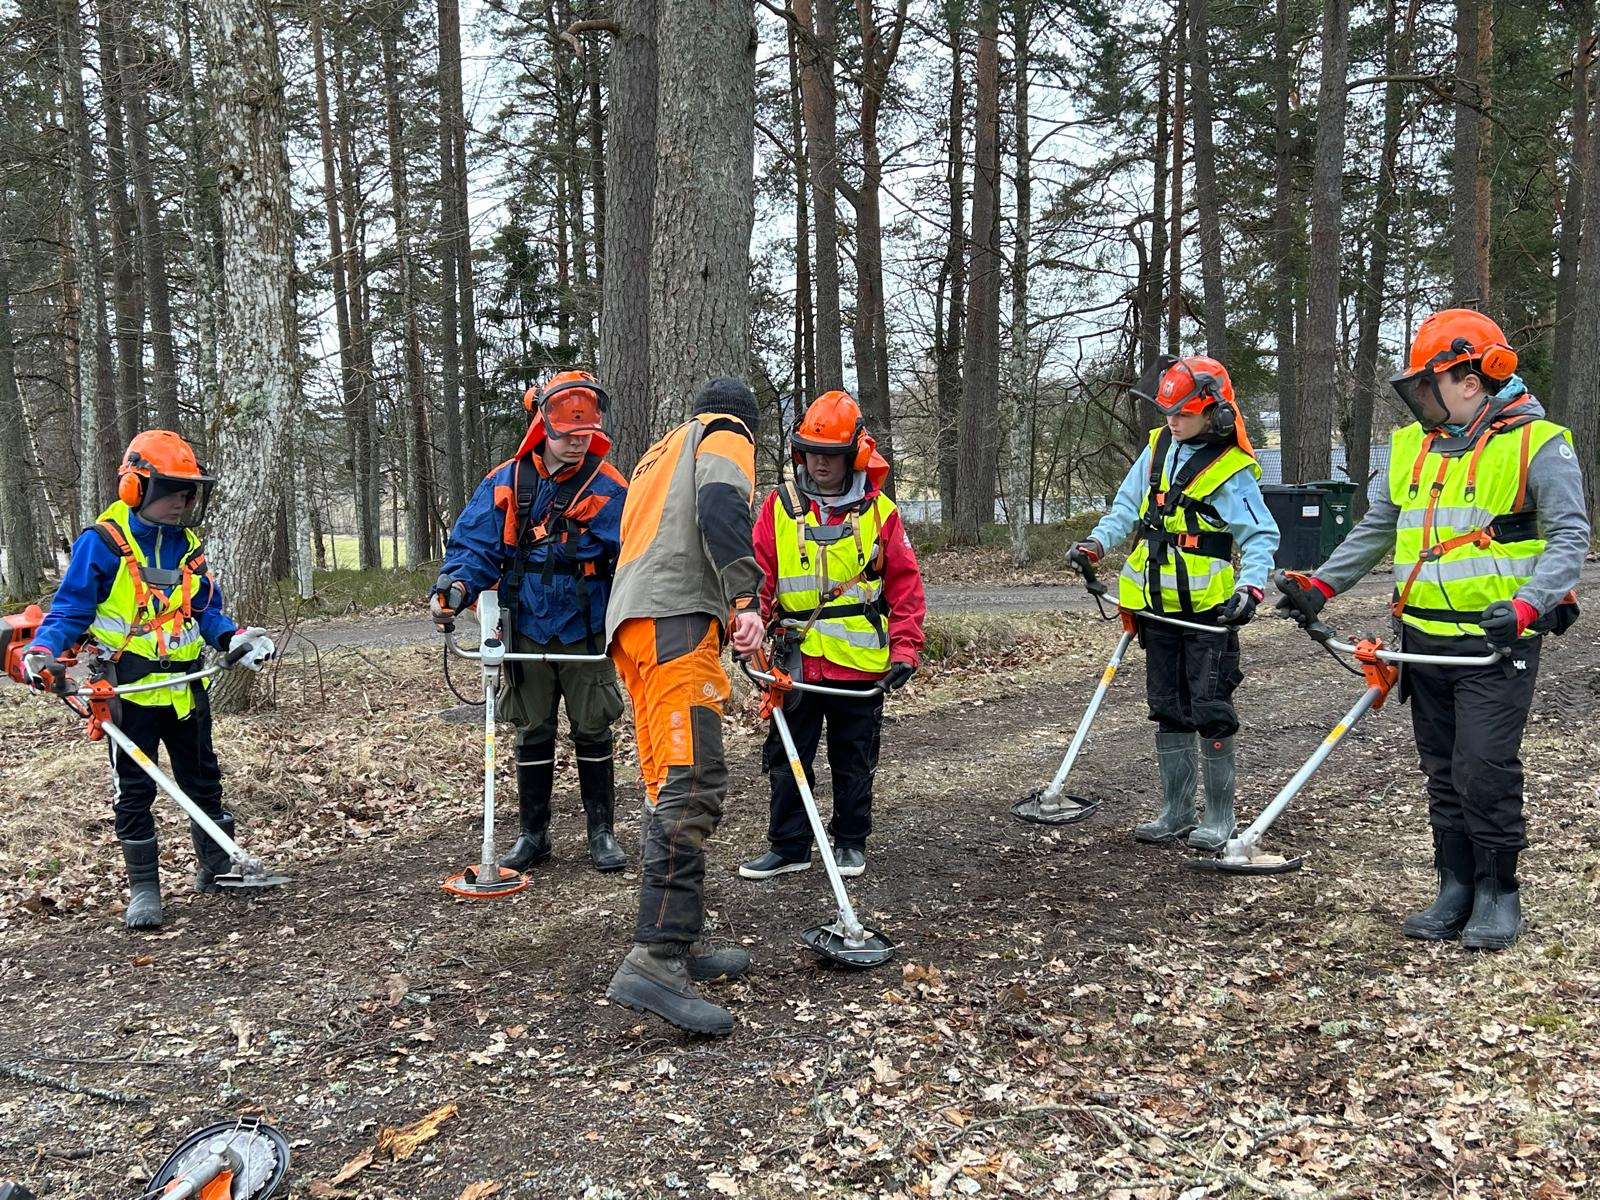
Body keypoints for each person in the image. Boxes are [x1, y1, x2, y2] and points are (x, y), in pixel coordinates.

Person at [1274, 310, 1587, 951]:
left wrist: (1528, 606)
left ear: (1470, 379)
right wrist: (1320, 586)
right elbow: (1377, 527)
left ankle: (1501, 893)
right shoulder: (1413, 447)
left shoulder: (1540, 443)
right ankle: (1455, 886)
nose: (1421, 396)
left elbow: (1570, 536)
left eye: (1430, 382)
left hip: (1497, 642)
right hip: (1419, 638)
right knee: (1442, 768)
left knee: (1484, 766)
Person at [20, 430, 276, 930]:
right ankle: (145, 890)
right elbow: (70, 609)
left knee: (203, 780)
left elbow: (206, 610)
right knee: (134, 789)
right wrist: (44, 652)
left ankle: (217, 870)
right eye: (172, 489)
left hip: (186, 686)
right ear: (137, 487)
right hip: (126, 690)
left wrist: (233, 640)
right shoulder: (102, 544)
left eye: (189, 491)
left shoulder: (188, 547)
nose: (183, 501)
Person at [602, 377, 766, 1036]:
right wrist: (745, 598)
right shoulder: (724, 435)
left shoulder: (657, 453)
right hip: (676, 620)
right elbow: (723, 505)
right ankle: (655, 956)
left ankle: (681, 938)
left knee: (666, 782)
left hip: (633, 625)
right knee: (693, 783)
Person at [1068, 356, 1280, 850]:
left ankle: (1220, 817)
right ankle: (1177, 810)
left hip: (1207, 611)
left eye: (1182, 413)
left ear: (1214, 412)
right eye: (1168, 411)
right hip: (1154, 605)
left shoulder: (1233, 469)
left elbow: (1260, 535)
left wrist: (1250, 588)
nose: (1172, 420)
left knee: (1210, 706)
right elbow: (1125, 507)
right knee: (1167, 706)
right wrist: (1096, 544)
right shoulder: (1158, 448)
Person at [431, 370, 630, 872]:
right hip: (525, 624)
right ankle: (533, 835)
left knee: (593, 726)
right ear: (544, 427)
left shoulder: (610, 486)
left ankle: (601, 832)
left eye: (584, 435)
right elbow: (474, 547)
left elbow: (636, 553)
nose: (574, 444)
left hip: (586, 624)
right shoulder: (506, 481)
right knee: (531, 727)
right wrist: (453, 590)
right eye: (566, 435)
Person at [738, 391, 926, 882]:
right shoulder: (778, 506)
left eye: (832, 455)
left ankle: (848, 843)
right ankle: (789, 844)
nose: (820, 463)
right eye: (813, 452)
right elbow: (758, 577)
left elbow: (905, 585)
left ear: (854, 456)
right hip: (793, 661)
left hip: (859, 663)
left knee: (854, 759)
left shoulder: (879, 511)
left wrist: (906, 647)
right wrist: (749, 632)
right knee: (785, 756)